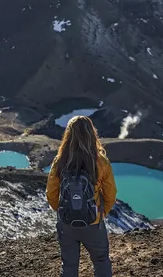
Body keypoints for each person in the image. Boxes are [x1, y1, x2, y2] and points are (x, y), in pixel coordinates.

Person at [46, 116, 117, 277]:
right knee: (101, 261)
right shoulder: (101, 161)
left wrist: (64, 211)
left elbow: (51, 193)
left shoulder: (60, 161)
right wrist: (101, 213)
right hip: (93, 223)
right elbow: (111, 194)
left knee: (69, 266)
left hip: (66, 225)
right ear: (92, 134)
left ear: (68, 135)